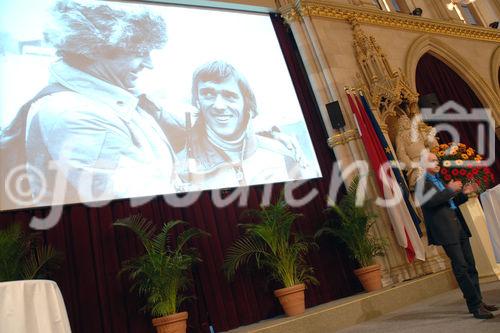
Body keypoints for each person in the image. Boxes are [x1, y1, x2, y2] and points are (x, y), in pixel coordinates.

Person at [0, 0, 186, 207]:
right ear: (94, 49)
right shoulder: (74, 114)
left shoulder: (109, 95)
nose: (149, 64)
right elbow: (140, 208)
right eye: (139, 52)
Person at [176, 60, 317, 191]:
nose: (219, 106)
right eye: (208, 94)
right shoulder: (179, 167)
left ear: (246, 102)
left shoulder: (283, 151)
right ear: (197, 100)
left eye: (229, 95)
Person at [418, 152, 497, 319]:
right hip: (446, 230)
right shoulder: (421, 184)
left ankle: (479, 301)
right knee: (461, 267)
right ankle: (474, 305)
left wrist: (464, 192)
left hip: (459, 226)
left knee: (470, 265)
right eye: (432, 161)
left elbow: (451, 202)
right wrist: (450, 190)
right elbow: (431, 201)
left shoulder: (441, 181)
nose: (437, 162)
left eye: (437, 160)